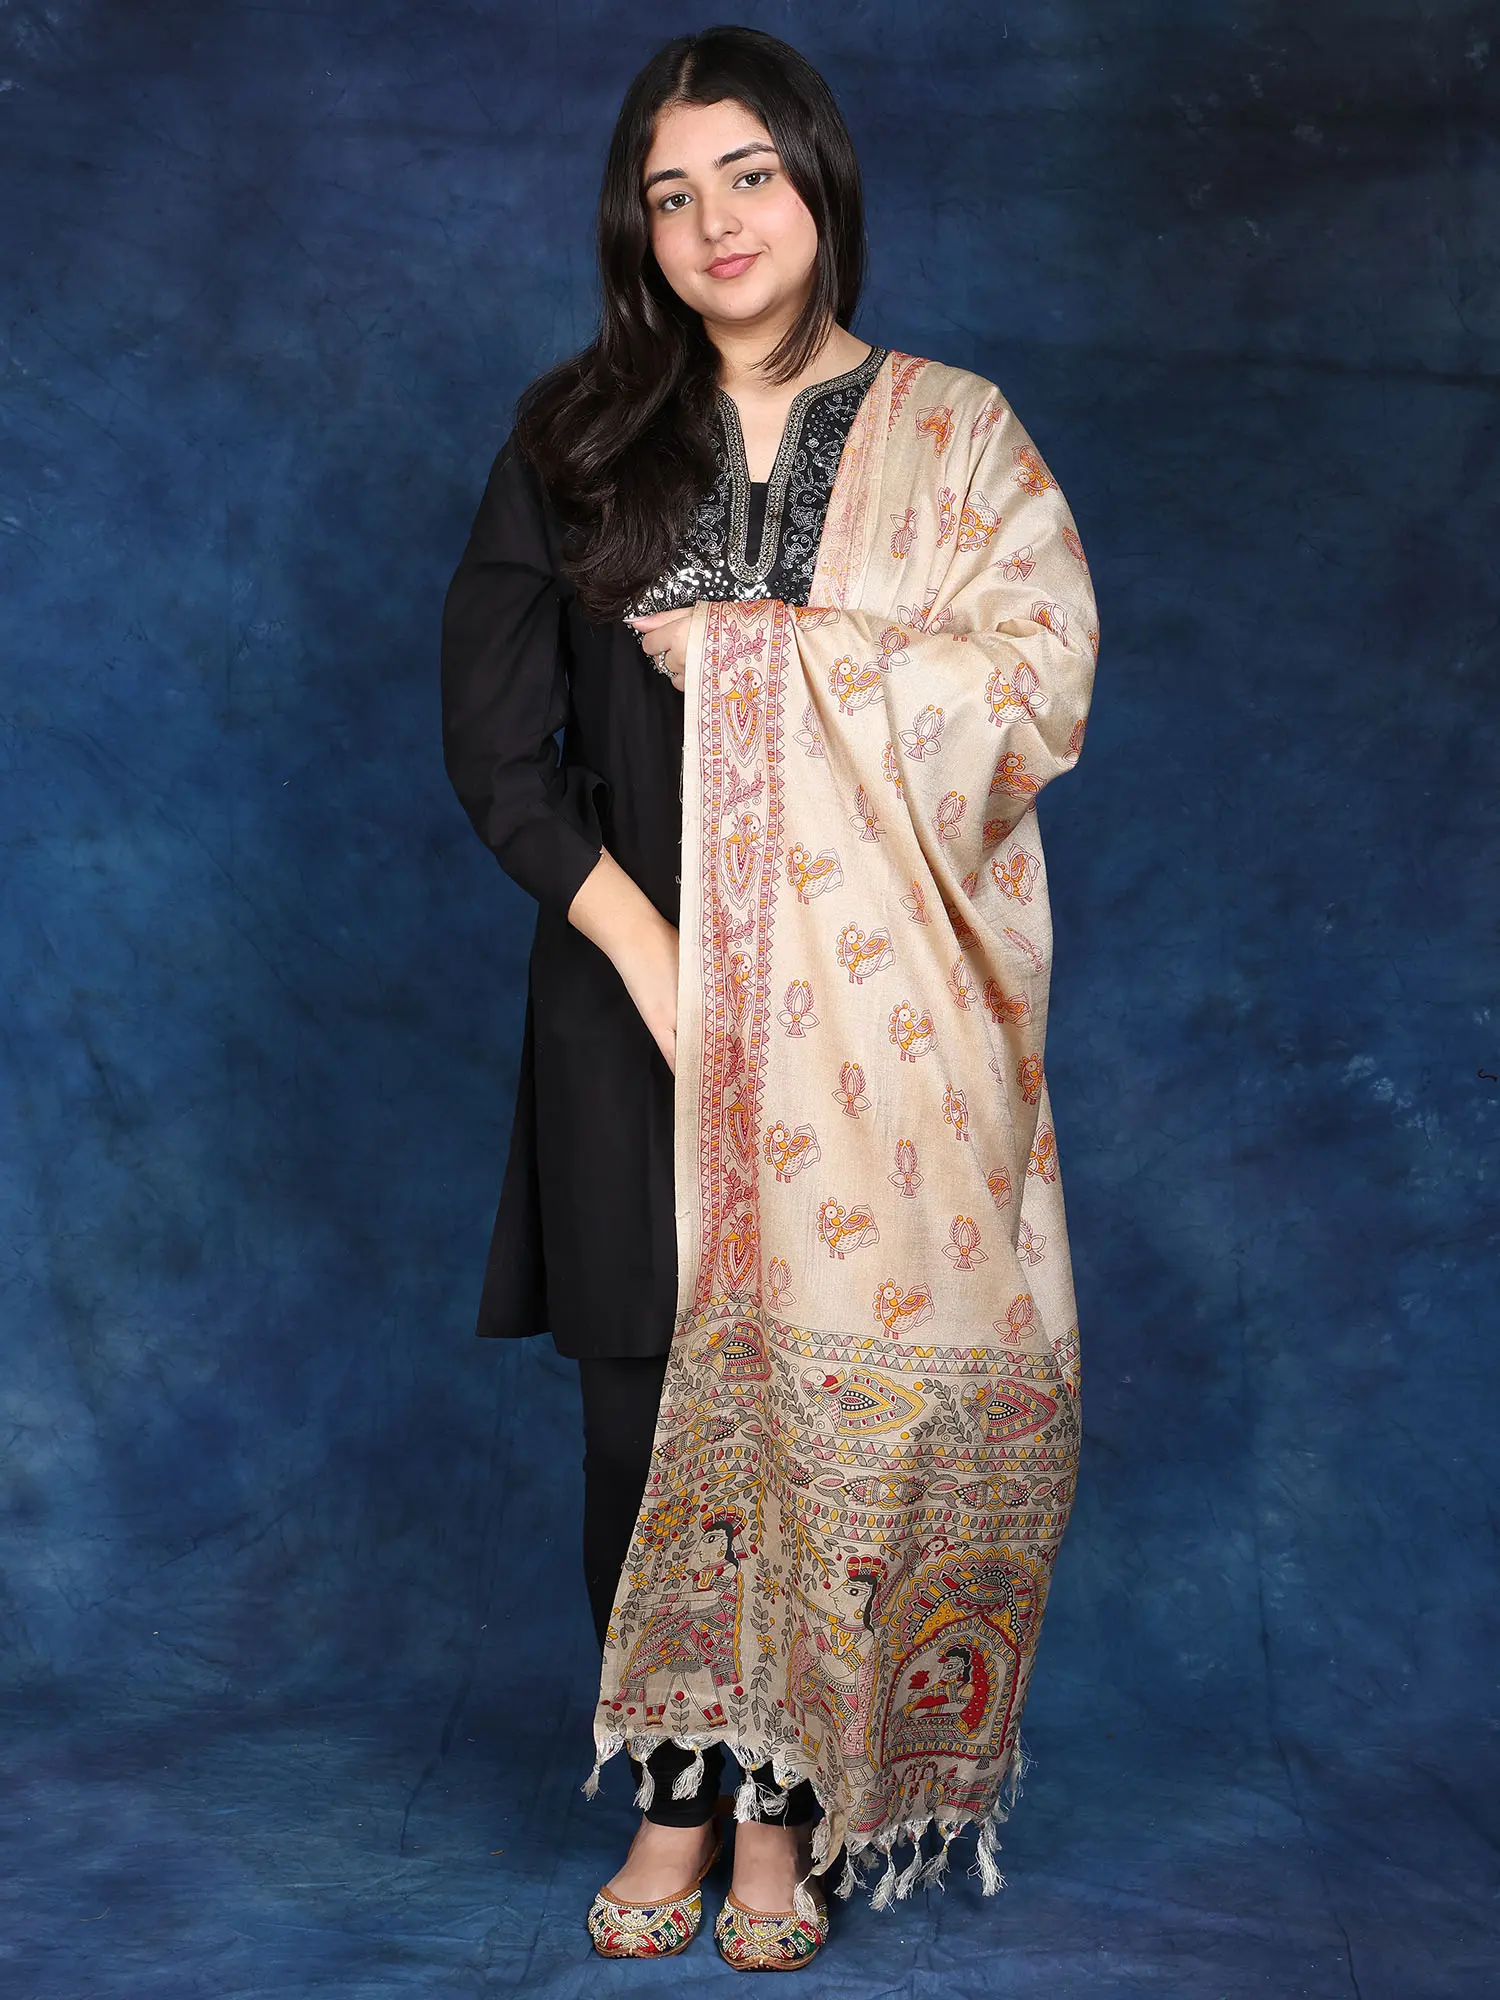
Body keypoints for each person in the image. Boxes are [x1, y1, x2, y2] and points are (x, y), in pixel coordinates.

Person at [441, 25, 1098, 1973]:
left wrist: (784, 654)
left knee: (830, 1430)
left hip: (870, 1042)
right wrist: (653, 952)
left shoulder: (955, 436)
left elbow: (1037, 675)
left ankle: (781, 1820)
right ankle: (671, 1797)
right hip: (628, 1015)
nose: (715, 221)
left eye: (748, 174)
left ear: (819, 183)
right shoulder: (572, 437)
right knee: (641, 1419)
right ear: (635, 230)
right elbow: (497, 740)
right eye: (672, 193)